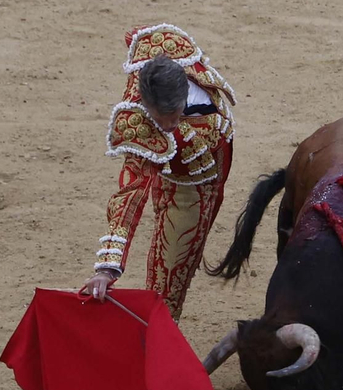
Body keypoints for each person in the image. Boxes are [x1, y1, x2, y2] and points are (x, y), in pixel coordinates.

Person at [77, 24, 235, 321]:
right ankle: (158, 344)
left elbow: (137, 35)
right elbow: (129, 193)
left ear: (182, 100)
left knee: (184, 263)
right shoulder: (143, 128)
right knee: (168, 283)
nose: (166, 127)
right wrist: (107, 268)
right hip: (187, 187)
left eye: (172, 119)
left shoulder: (166, 47)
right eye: (160, 121)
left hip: (211, 171)